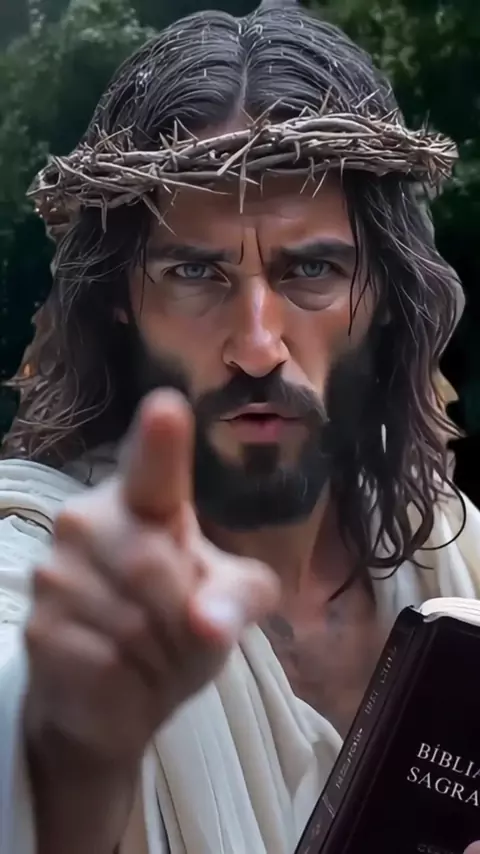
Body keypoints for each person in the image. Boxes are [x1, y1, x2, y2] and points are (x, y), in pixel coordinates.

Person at [0, 0, 479, 852]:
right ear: (120, 299)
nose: (258, 346)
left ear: (383, 295)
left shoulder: (452, 552)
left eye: (313, 268)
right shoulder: (39, 562)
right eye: (195, 272)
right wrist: (72, 754)